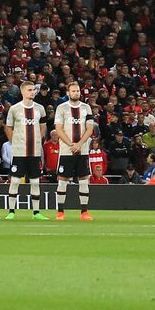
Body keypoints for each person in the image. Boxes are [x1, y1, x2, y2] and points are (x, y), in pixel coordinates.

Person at [3, 81, 49, 219]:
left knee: (35, 182)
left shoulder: (40, 108)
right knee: (15, 181)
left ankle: (36, 212)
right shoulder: (15, 109)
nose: (33, 92)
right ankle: (11, 211)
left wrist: (39, 140)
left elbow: (43, 125)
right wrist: (14, 142)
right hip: (19, 152)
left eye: (34, 89)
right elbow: (8, 127)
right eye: (29, 89)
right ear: (22, 92)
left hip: (34, 152)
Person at [52, 81, 96, 221]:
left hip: (82, 150)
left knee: (84, 180)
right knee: (63, 180)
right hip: (66, 150)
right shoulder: (61, 108)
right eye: (73, 91)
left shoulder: (86, 108)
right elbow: (59, 129)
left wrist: (80, 144)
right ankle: (60, 212)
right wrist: (72, 144)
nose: (76, 93)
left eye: (78, 91)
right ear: (68, 93)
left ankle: (84, 212)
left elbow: (89, 129)